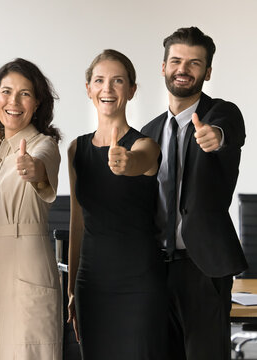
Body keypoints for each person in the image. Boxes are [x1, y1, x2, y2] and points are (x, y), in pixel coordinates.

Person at [141, 26, 247, 360]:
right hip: (156, 268)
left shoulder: (222, 114)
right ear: (163, 67)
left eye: (194, 63)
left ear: (208, 71)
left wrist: (215, 136)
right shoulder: (149, 132)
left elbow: (227, 132)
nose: (183, 69)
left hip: (203, 268)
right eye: (176, 61)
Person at [67, 49, 167, 359]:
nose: (107, 89)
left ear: (132, 90)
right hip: (92, 283)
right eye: (99, 80)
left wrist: (127, 163)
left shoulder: (144, 145)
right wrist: (71, 288)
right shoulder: (76, 150)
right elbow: (77, 221)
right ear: (88, 89)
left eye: (118, 81)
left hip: (140, 282)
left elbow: (142, 162)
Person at [0, 58, 62, 359]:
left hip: (27, 265)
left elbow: (41, 168)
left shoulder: (43, 145)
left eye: (25, 93)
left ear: (36, 103)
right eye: (6, 91)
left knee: (29, 351)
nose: (14, 101)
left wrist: (33, 170)